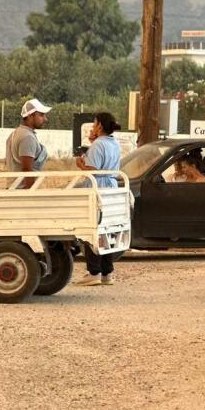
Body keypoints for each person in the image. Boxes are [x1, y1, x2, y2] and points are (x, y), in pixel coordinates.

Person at [72, 112, 122, 287]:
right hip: (111, 189)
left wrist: (81, 165)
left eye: (94, 125)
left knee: (91, 230)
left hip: (97, 189)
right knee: (106, 231)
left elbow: (92, 170)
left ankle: (94, 272)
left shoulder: (98, 145)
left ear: (99, 126)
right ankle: (107, 272)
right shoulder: (114, 144)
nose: (92, 128)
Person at [5, 98, 51, 188]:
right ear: (30, 116)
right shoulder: (27, 137)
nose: (45, 119)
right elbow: (27, 169)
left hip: (13, 188)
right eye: (41, 115)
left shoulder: (15, 133)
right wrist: (30, 194)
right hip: (22, 191)